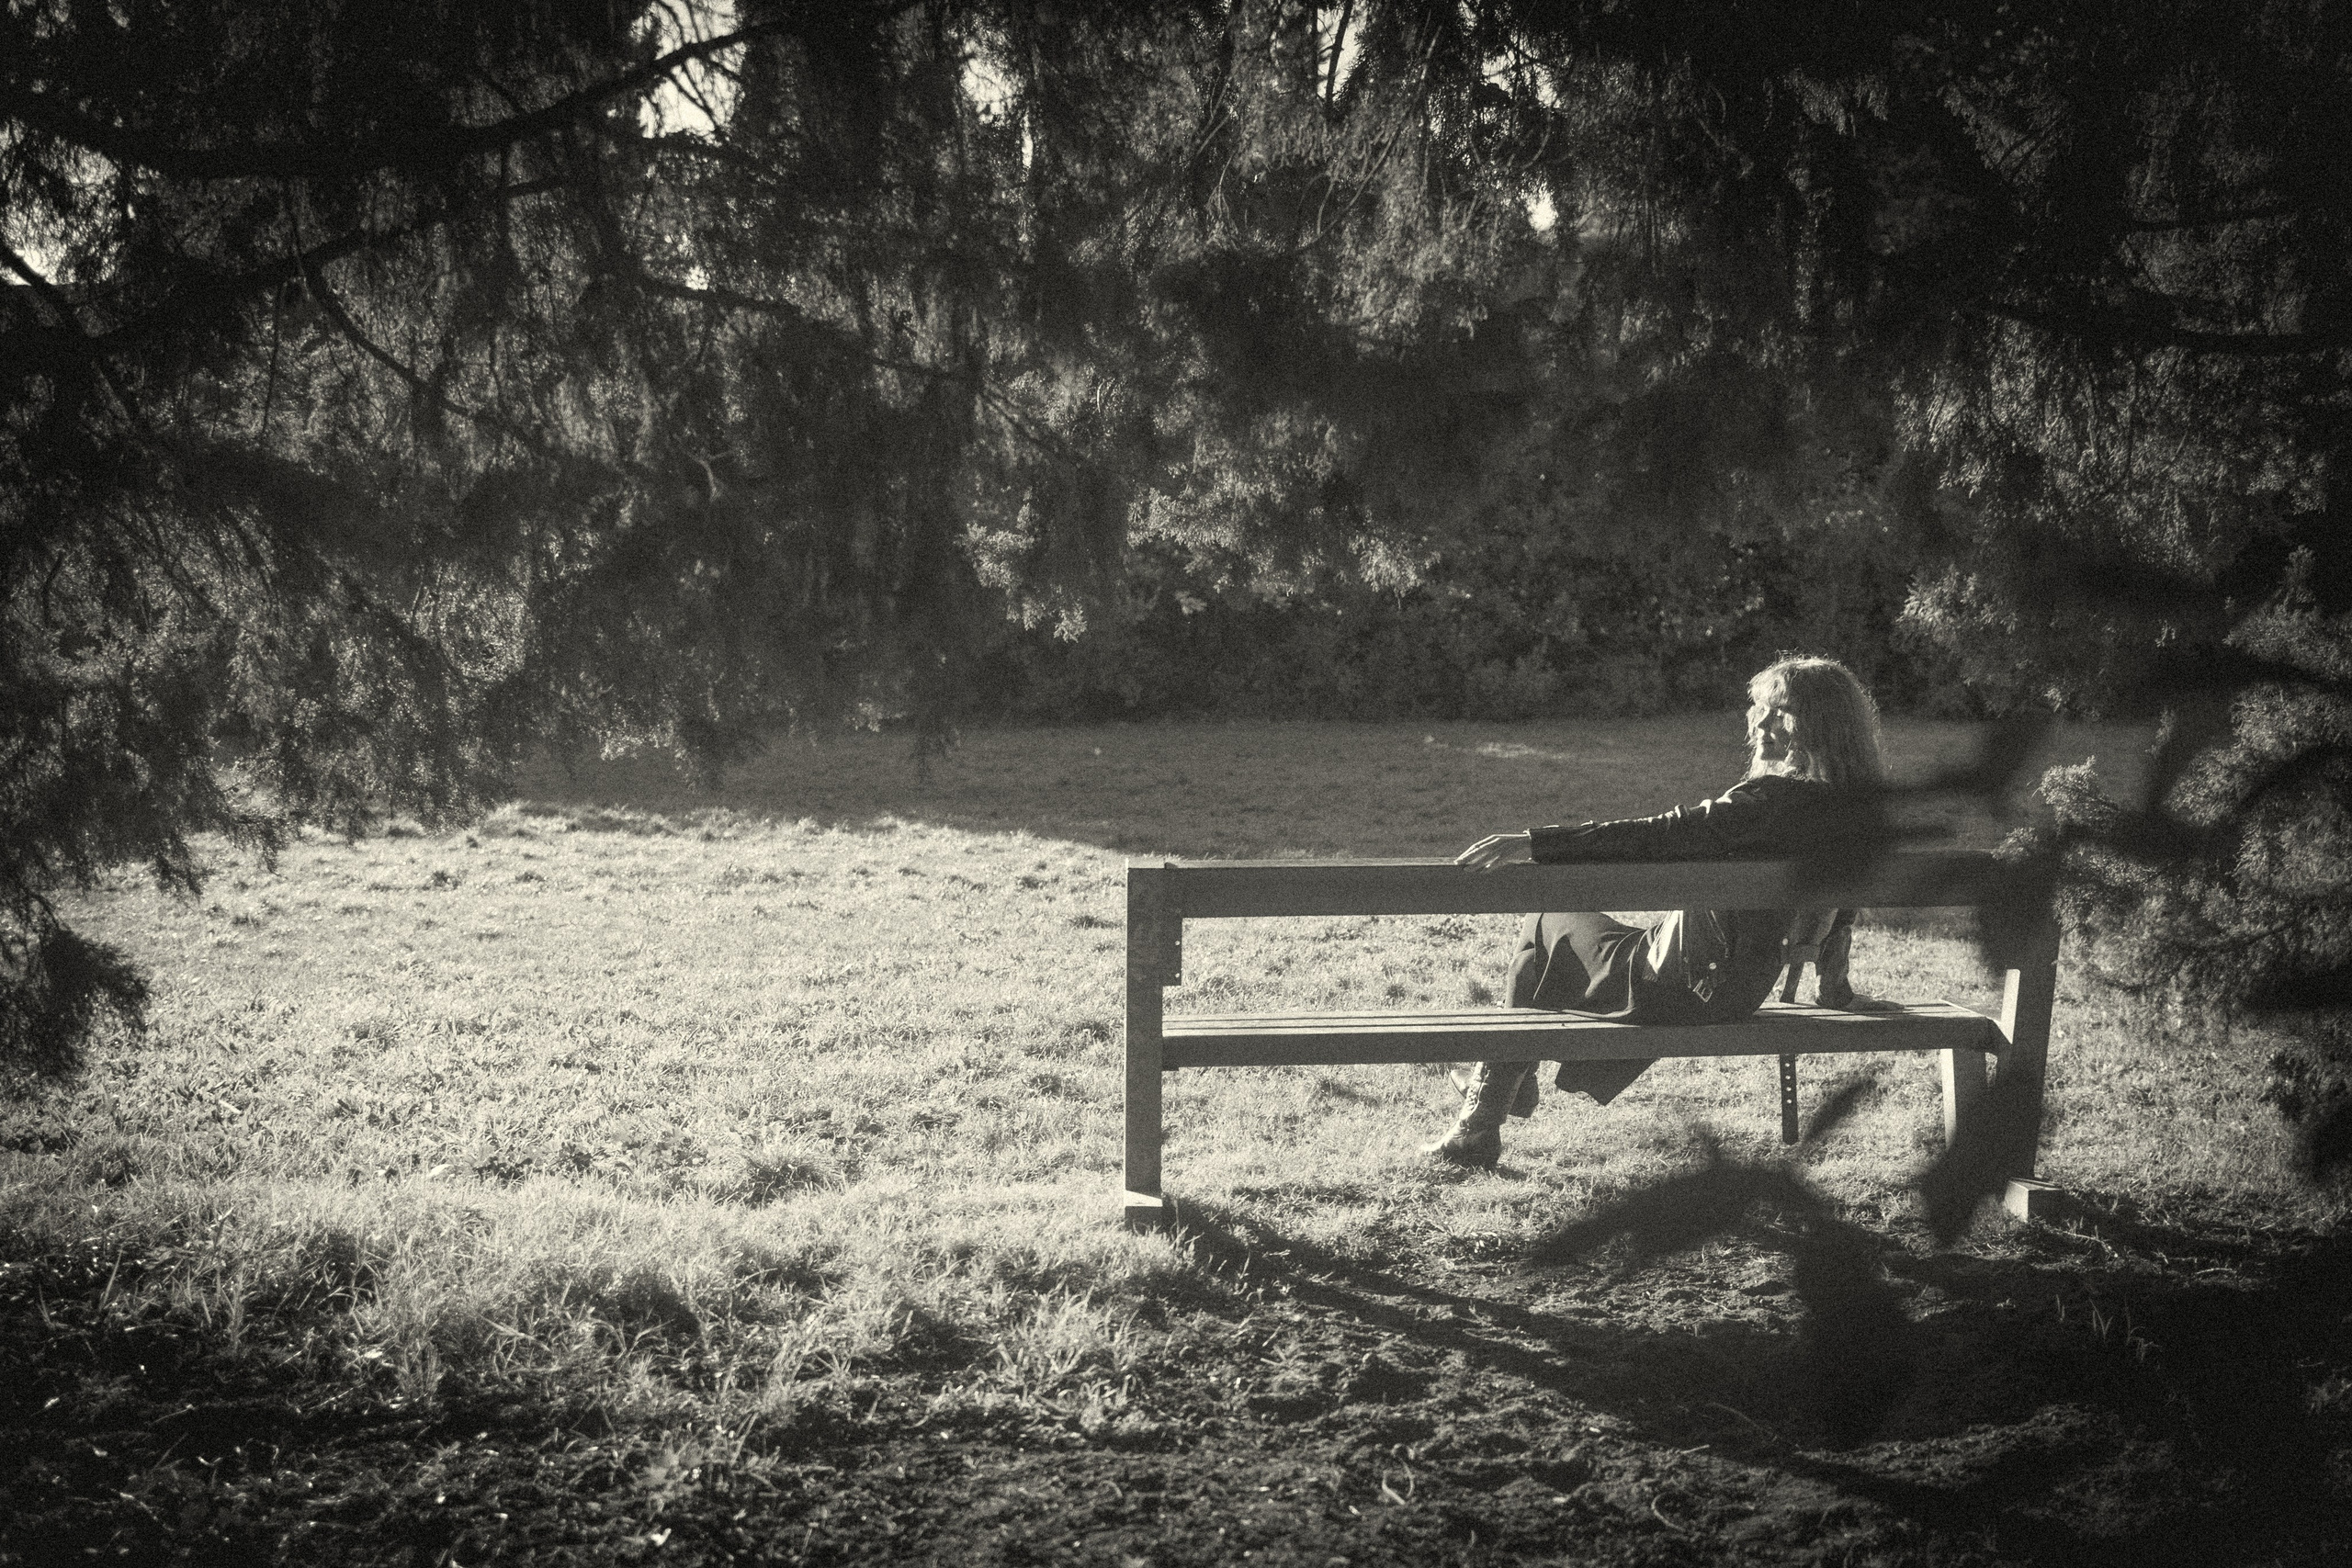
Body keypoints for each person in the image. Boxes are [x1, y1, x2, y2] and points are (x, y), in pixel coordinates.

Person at [1430, 656, 1889, 1168]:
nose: (1758, 723)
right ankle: (1495, 1098)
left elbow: (1657, 834)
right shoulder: (1858, 812)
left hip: (1674, 982)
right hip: (1739, 990)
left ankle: (1486, 1109)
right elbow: (1841, 908)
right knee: (1558, 939)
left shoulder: (1767, 803)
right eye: (1757, 709)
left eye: (1775, 712)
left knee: (1546, 918)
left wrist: (1533, 843)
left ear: (1815, 725)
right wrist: (1834, 987)